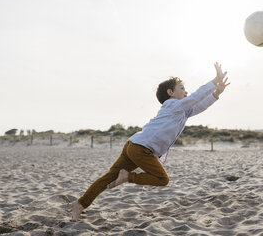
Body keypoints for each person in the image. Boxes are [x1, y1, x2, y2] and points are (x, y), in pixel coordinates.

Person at [71, 62, 230, 221]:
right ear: (170, 93)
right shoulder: (172, 105)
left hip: (134, 145)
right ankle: (127, 177)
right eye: (182, 88)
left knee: (109, 177)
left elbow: (200, 105)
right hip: (141, 149)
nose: (186, 91)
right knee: (162, 179)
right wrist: (215, 80)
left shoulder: (182, 111)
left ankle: (80, 204)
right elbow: (195, 97)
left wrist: (216, 93)